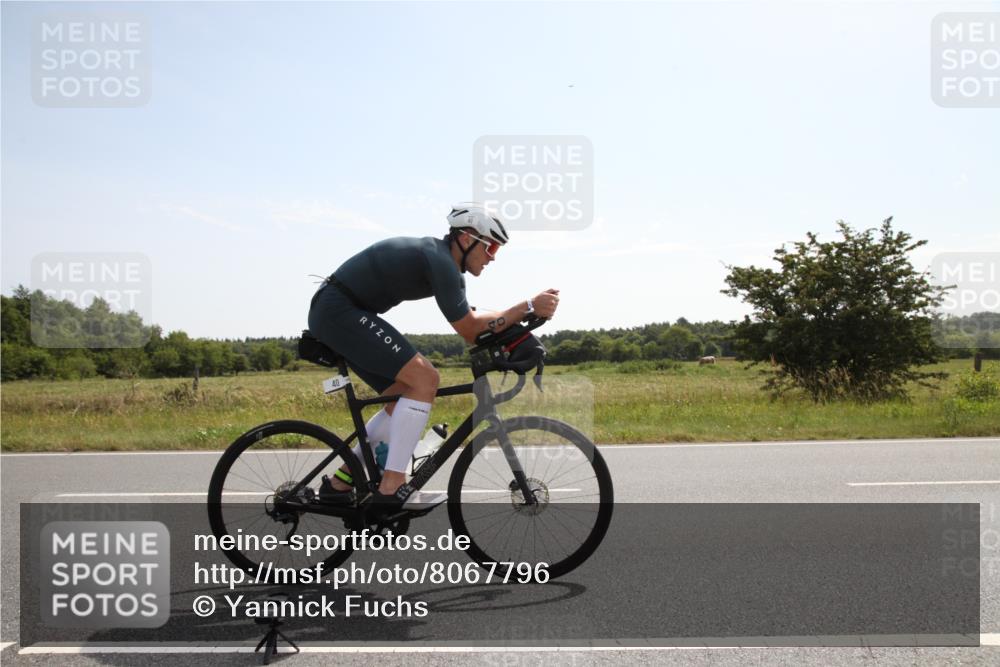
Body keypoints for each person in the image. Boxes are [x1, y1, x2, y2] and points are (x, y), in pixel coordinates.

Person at [307, 203, 560, 511]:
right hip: (338, 310)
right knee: (426, 378)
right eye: (491, 246)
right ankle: (392, 487)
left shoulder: (444, 263)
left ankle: (340, 484)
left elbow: (476, 316)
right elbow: (469, 329)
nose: (493, 256)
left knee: (399, 398)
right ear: (467, 239)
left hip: (340, 310)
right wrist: (527, 307)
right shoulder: (439, 259)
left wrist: (520, 320)